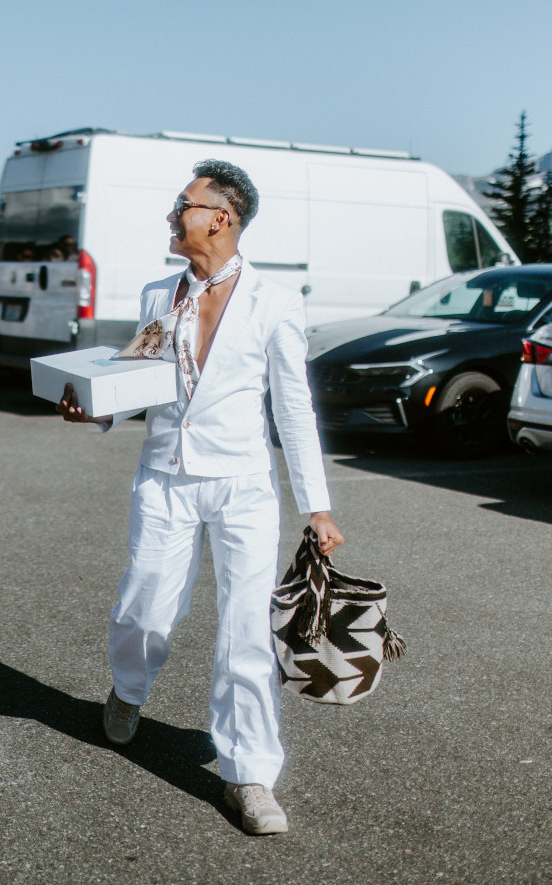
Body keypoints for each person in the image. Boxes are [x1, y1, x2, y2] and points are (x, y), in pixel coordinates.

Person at [57, 160, 342, 837]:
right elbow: (135, 377)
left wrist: (318, 505)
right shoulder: (161, 292)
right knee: (145, 604)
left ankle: (249, 773)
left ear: (221, 216)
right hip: (164, 475)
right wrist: (93, 412)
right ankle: (128, 687)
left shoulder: (275, 300)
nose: (171, 216)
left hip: (242, 484)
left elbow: (293, 408)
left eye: (182, 206)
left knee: (246, 629)